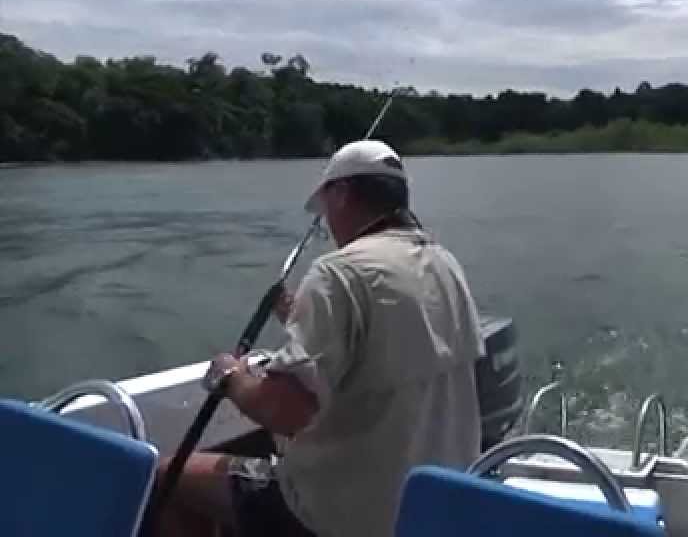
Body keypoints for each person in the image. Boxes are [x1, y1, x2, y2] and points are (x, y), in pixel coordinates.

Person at [152, 139, 486, 537]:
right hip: (433, 510)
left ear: (341, 194)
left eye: (325, 206)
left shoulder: (338, 273)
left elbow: (284, 412)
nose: (326, 224)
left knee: (167, 476)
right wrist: (299, 317)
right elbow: (386, 343)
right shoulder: (444, 263)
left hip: (346, 516)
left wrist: (231, 377)